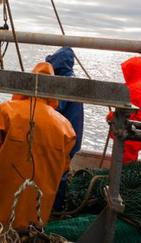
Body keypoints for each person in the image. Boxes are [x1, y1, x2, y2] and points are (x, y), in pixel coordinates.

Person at [0, 62, 76, 229]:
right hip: (35, 224)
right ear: (53, 92)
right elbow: (63, 168)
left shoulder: (8, 111)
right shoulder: (66, 128)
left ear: (26, 84)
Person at [45, 47, 84, 211]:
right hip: (71, 136)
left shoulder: (64, 83)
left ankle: (54, 209)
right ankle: (55, 206)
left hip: (65, 140)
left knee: (57, 174)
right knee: (60, 172)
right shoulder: (71, 79)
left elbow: (56, 108)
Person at [108, 56, 141, 163]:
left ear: (131, 71)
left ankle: (117, 179)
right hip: (137, 132)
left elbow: (127, 113)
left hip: (128, 134)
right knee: (128, 162)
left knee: (121, 166)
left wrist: (111, 116)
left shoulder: (135, 88)